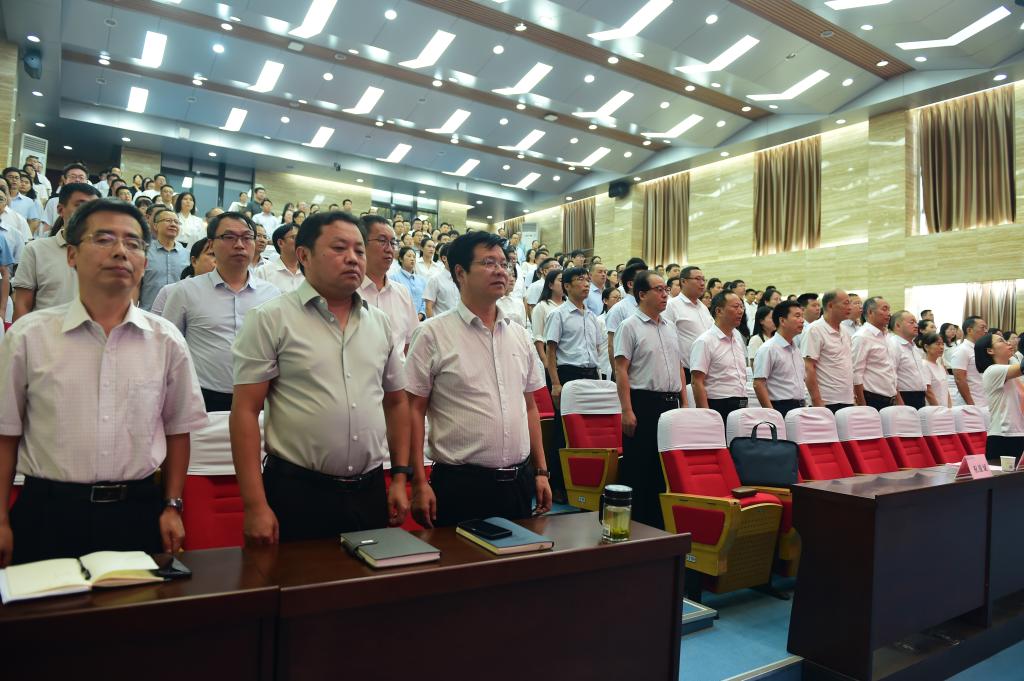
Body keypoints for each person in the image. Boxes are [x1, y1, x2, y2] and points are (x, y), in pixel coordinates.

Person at [0, 198, 207, 566]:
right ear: (71, 255)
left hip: (137, 511)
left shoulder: (166, 340)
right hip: (48, 511)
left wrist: (172, 505)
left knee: (135, 604)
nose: (120, 251)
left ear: (144, 261)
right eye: (104, 239)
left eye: (133, 243)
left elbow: (178, 431)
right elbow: (5, 434)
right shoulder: (29, 336)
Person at [231, 211, 411, 543]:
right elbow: (244, 411)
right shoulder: (271, 319)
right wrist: (254, 504)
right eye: (339, 248)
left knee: (368, 576)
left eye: (359, 250)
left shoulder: (380, 322)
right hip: (298, 491)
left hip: (370, 489)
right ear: (304, 255)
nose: (353, 258)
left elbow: (397, 402)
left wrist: (399, 476)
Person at [405, 231, 552, 528]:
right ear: (460, 273)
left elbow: (530, 406)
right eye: (488, 263)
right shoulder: (432, 334)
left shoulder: (518, 334)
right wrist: (418, 482)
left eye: (503, 264)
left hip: (518, 482)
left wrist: (541, 472)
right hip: (461, 485)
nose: (500, 271)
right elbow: (413, 411)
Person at [161, 212, 280, 412]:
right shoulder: (185, 291)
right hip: (201, 396)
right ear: (211, 244)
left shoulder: (271, 294)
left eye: (247, 237)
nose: (239, 245)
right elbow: (166, 347)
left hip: (259, 396)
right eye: (229, 237)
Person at [614, 272, 686, 529]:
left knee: (663, 467)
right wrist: (626, 410)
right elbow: (621, 369)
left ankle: (659, 524)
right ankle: (635, 525)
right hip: (643, 402)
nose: (665, 294)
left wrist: (685, 405)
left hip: (670, 404)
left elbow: (679, 366)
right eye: (659, 289)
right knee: (640, 466)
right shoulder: (629, 326)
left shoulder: (670, 326)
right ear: (642, 294)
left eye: (666, 289)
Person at [12, 183, 101, 320]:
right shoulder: (36, 250)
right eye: (80, 205)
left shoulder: (107, 253)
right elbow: (22, 304)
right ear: (60, 210)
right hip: (44, 332)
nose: (88, 213)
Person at [358, 215, 418, 352]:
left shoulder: (402, 293)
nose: (389, 249)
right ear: (361, 244)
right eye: (382, 241)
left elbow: (410, 343)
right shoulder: (347, 292)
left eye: (393, 243)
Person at [690, 291, 749, 423]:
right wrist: (706, 415)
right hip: (718, 404)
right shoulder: (705, 341)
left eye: (742, 307)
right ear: (719, 311)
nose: (741, 311)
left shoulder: (738, 338)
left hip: (742, 402)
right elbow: (696, 381)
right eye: (736, 307)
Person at [803, 290, 855, 412]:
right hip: (827, 401)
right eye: (846, 303)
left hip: (847, 399)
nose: (850, 307)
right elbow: (808, 367)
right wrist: (817, 401)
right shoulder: (815, 330)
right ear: (830, 305)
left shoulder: (845, 331)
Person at [975, 333, 1024, 461]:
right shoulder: (991, 371)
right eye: (1001, 341)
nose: (1008, 343)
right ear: (990, 350)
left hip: (1019, 434)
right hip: (1003, 437)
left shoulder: (1013, 370)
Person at [753, 300, 806, 417]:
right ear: (782, 321)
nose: (802, 320)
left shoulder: (796, 349)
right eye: (797, 316)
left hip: (800, 407)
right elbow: (758, 384)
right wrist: (772, 413)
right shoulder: (768, 348)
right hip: (780, 407)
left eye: (802, 316)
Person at [665, 265, 714, 383]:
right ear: (683, 281)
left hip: (709, 369)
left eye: (703, 279)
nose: (702, 283)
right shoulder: (671, 305)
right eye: (697, 279)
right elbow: (666, 341)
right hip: (685, 371)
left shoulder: (703, 307)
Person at [851, 296, 899, 410]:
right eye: (884, 309)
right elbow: (856, 373)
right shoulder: (862, 337)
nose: (889, 313)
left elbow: (890, 371)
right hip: (872, 399)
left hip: (891, 399)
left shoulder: (886, 336)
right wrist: (862, 405)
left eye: (889, 309)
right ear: (870, 312)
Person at [139, 208, 190, 311]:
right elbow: (136, 286)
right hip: (148, 314)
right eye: (168, 220)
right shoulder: (144, 252)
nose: (173, 224)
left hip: (179, 315)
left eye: (176, 222)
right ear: (155, 226)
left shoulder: (187, 254)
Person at [151, 237, 216, 316]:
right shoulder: (169, 292)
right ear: (194, 261)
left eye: (221, 255)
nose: (218, 260)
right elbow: (155, 323)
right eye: (212, 254)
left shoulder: (227, 294)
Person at [604, 262, 647, 369]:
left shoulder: (650, 305)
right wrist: (617, 374)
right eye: (642, 278)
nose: (648, 281)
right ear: (630, 284)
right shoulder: (618, 309)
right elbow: (612, 345)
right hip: (628, 369)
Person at [888, 310, 931, 409]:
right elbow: (891, 377)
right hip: (904, 397)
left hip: (919, 396)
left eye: (916, 322)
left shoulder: (914, 347)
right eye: (911, 322)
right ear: (898, 325)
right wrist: (900, 403)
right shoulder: (893, 345)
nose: (916, 326)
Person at [255, 223, 304, 293]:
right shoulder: (263, 272)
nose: (300, 241)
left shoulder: (309, 272)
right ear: (280, 243)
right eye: (295, 237)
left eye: (302, 238)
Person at [951, 316, 989, 407]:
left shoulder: (980, 349)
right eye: (982, 327)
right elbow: (959, 379)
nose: (986, 331)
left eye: (986, 328)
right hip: (970, 403)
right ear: (969, 330)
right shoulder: (962, 350)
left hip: (984, 400)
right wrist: (971, 404)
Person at [531, 269, 564, 363]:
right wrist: (545, 361)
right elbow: (538, 336)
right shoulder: (541, 306)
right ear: (550, 285)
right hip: (550, 352)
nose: (564, 283)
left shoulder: (569, 306)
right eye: (561, 280)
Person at [422, 243, 460, 318]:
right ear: (444, 258)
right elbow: (428, 307)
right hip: (442, 323)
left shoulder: (462, 278)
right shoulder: (435, 279)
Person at [390, 246, 426, 319]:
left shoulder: (421, 280)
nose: (412, 259)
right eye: (409, 256)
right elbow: (393, 301)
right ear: (401, 259)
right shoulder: (393, 278)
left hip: (420, 320)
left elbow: (424, 300)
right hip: (401, 319)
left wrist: (421, 313)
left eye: (414, 257)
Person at [919, 332, 951, 407]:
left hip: (944, 409)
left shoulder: (939, 365)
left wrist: (949, 408)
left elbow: (946, 389)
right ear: (926, 347)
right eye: (938, 344)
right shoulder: (924, 365)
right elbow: (928, 392)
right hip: (933, 410)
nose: (942, 347)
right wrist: (938, 409)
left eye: (942, 344)